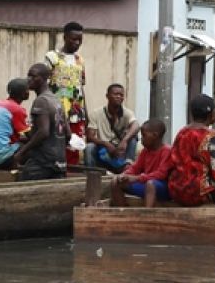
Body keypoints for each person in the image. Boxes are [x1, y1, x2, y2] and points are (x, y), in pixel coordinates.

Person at [14, 63, 67, 181]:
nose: (29, 79)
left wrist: (21, 152)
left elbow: (43, 132)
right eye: (28, 76)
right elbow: (67, 134)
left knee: (23, 193)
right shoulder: (57, 100)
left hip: (42, 162)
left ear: (44, 79)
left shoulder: (41, 101)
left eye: (33, 76)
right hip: (59, 163)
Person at [44, 22, 86, 165]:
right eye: (73, 39)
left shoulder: (80, 60)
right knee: (57, 143)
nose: (77, 43)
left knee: (74, 147)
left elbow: (81, 87)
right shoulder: (52, 57)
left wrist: (85, 112)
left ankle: (71, 179)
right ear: (65, 37)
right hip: (57, 110)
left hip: (76, 112)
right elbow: (44, 83)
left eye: (80, 40)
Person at [111, 119, 172, 208]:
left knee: (150, 185)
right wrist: (124, 175)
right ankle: (123, 213)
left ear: (155, 135)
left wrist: (136, 178)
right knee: (115, 181)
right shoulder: (145, 151)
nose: (141, 139)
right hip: (145, 185)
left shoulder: (166, 151)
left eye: (144, 135)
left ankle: (146, 216)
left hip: (161, 189)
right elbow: (135, 168)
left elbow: (161, 174)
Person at [84, 82, 139, 172]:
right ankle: (91, 174)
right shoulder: (96, 113)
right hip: (103, 151)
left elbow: (136, 125)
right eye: (115, 94)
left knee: (133, 138)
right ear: (107, 96)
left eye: (121, 95)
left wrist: (124, 141)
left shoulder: (127, 113)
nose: (119, 97)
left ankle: (128, 167)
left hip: (120, 151)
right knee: (89, 147)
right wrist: (106, 144)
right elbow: (90, 137)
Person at [0, 77, 29, 168]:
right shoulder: (17, 109)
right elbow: (29, 135)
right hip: (4, 157)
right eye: (27, 90)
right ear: (24, 93)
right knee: (36, 147)